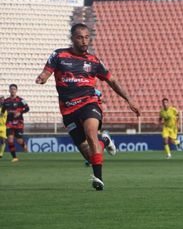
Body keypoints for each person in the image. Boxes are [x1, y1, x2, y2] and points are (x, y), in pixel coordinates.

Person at [35, 23, 140, 191]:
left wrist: (129, 100)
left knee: (91, 134)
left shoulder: (94, 61)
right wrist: (42, 77)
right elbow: (46, 72)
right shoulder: (59, 55)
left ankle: (98, 178)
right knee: (88, 152)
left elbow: (112, 80)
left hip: (89, 102)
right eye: (80, 37)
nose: (84, 41)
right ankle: (104, 141)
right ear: (72, 38)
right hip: (68, 109)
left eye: (86, 37)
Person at [3, 84, 29, 162]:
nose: (13, 90)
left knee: (19, 140)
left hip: (19, 123)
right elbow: (2, 111)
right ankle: (14, 157)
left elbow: (27, 108)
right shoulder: (6, 101)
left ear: (16, 90)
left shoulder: (21, 100)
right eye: (11, 89)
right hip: (9, 123)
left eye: (14, 89)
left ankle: (24, 145)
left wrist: (20, 112)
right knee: (10, 140)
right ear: (9, 90)